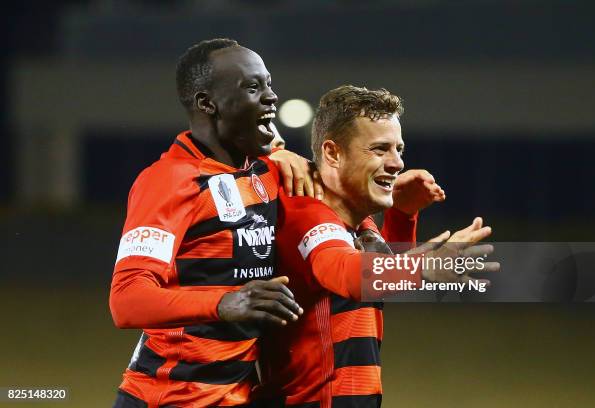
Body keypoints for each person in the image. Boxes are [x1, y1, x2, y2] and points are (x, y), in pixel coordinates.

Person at [109, 38, 325, 407]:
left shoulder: (269, 170)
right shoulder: (169, 181)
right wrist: (225, 302)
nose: (272, 96)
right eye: (253, 87)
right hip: (171, 397)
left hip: (236, 395)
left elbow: (339, 222)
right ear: (207, 103)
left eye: (270, 84)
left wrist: (399, 210)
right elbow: (127, 300)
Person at [256, 85, 499, 407]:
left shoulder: (354, 214)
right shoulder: (310, 216)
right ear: (333, 153)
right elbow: (348, 273)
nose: (397, 163)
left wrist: (402, 213)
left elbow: (382, 279)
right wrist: (425, 267)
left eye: (399, 149)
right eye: (380, 149)